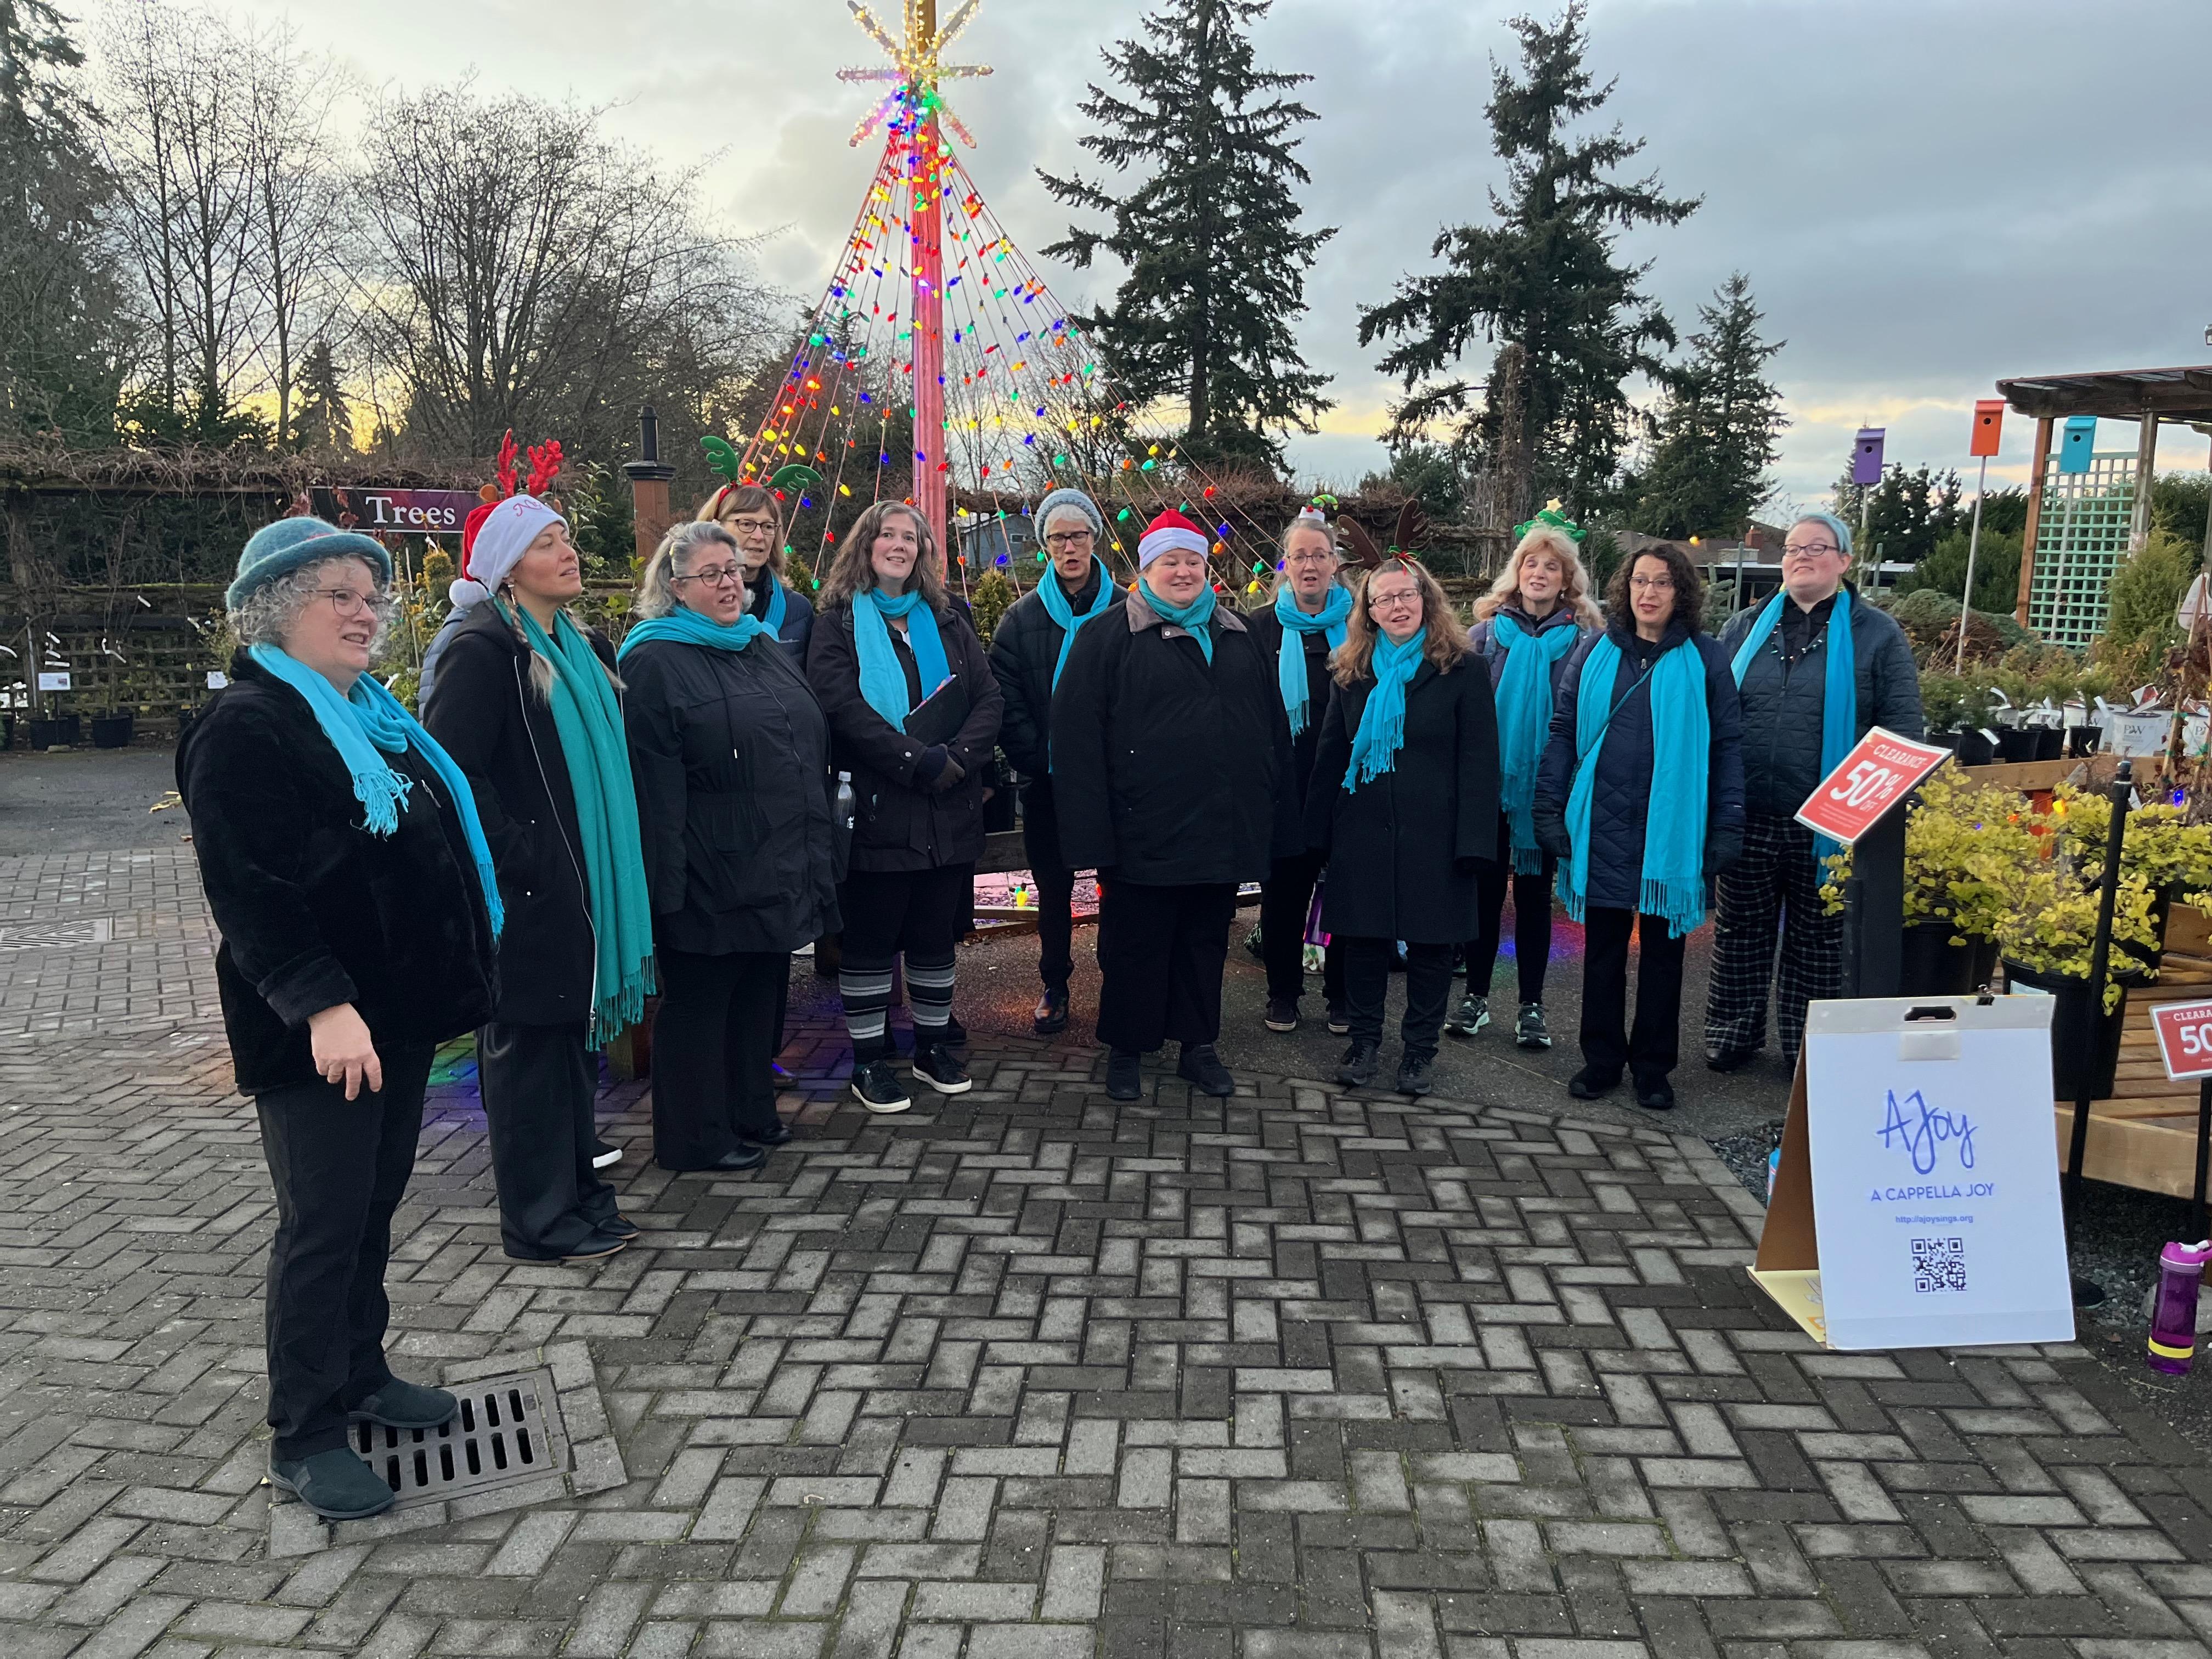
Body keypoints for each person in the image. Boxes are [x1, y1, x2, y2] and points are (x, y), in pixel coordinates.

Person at [178, 516, 502, 1522]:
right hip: (323, 1030)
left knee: (371, 1208)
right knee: (320, 1225)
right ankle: (305, 1429)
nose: (368, 611)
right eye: (341, 595)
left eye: (373, 594)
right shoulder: (247, 724)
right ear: (278, 612)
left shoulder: (369, 714)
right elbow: (253, 890)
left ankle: (360, 1369)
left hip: (394, 1018)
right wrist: (323, 1005)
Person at [422, 492, 652, 1262]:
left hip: (581, 889)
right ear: (509, 568)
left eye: (567, 536)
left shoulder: (581, 648)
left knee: (567, 1053)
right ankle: (538, 1222)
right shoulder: (484, 650)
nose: (569, 551)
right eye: (549, 541)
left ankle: (579, 1198)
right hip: (527, 893)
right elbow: (451, 771)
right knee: (526, 1059)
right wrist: (523, 857)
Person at [1052, 508, 1299, 1101]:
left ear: (1205, 567)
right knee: (1137, 944)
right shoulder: (1106, 637)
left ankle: (1198, 1045)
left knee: (1204, 940)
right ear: (1146, 570)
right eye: (1171, 562)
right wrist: (1091, 839)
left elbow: (1272, 734)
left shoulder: (1239, 636)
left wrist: (1275, 822)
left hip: (1219, 828)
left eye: (1192, 561)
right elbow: (1076, 742)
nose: (1183, 572)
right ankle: (1127, 1049)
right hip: (1142, 831)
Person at [622, 520, 842, 1164]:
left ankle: (749, 1109)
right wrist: (670, 883)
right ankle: (694, 1138)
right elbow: (653, 786)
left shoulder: (757, 642)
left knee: (757, 996)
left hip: (774, 859)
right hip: (707, 867)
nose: (728, 584)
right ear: (674, 584)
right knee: (701, 1004)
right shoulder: (654, 659)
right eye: (711, 574)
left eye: (734, 571)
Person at [1706, 512, 1924, 1071]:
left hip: (1831, 823)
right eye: (1794, 548)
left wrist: (1891, 815)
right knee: (1740, 933)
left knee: (1819, 942)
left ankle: (1809, 1051)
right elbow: (1717, 715)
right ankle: (1732, 1035)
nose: (1802, 556)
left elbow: (1902, 728)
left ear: (1845, 562)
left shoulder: (1876, 635)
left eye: (1818, 548)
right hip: (1750, 811)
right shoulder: (1745, 627)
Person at [808, 501, 1003, 1110]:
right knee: (870, 939)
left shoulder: (948, 620)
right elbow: (840, 708)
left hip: (948, 806)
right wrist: (913, 760)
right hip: (878, 805)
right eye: (887, 535)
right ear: (864, 547)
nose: (899, 545)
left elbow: (987, 696)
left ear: (923, 551)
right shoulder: (837, 623)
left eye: (910, 537)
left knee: (932, 936)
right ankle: (869, 1059)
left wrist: (958, 757)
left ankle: (931, 1046)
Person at [1536, 543, 1744, 1111]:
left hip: (1671, 831)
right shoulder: (1594, 651)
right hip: (1601, 821)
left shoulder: (1707, 659)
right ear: (1625, 589)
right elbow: (1563, 733)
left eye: (1662, 583)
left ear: (1681, 592)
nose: (1648, 593)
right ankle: (1601, 1059)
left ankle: (1653, 1067)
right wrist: (1547, 809)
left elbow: (1728, 745)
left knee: (1664, 956)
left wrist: (1727, 823)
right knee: (1601, 950)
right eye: (1639, 582)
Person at [1304, 558, 1500, 1096]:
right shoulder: (1352, 673)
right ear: (1368, 612)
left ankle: (1418, 1053)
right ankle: (1364, 1042)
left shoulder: (1464, 669)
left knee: (1433, 948)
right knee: (1364, 942)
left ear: (1426, 599)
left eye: (1406, 595)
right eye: (1384, 599)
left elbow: (1480, 763)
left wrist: (1475, 844)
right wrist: (1316, 836)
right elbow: (1330, 758)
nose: (1397, 606)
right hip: (1362, 831)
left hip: (1436, 835)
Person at [1452, 513, 1602, 1048]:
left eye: (1552, 566)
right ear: (1515, 574)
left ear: (1568, 580)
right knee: (1485, 895)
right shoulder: (1484, 637)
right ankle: (1474, 998)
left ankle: (1532, 1007)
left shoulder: (1587, 644)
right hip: (1490, 787)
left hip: (1547, 789)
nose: (1539, 573)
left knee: (1536, 900)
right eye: (1530, 563)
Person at [987, 487, 1118, 1035]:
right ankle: (1055, 983)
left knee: (1119, 885)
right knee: (1054, 890)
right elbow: (1006, 700)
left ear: (1094, 539)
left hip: (1115, 781)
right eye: (1059, 537)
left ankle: (1120, 981)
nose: (1071, 547)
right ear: (1045, 545)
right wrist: (1041, 758)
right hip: (1048, 780)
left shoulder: (1127, 609)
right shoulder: (1021, 621)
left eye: (1079, 535)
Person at [1244, 508, 1353, 1036]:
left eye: (1320, 555)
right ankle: (1283, 992)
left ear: (1336, 562)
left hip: (1346, 788)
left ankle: (1343, 996)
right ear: (1284, 565)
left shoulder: (1362, 628)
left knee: (1346, 897)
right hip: (1283, 787)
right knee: (1283, 898)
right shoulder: (1256, 629)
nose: (1310, 565)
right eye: (1299, 555)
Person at [698, 482, 815, 663]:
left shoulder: (798, 610)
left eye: (768, 527)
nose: (759, 536)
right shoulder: (692, 605)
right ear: (715, 527)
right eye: (746, 524)